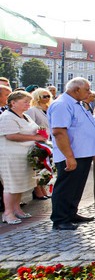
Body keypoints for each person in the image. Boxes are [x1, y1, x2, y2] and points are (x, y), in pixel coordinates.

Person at [48, 78, 95, 230]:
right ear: (76, 90)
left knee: (76, 187)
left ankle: (71, 213)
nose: (89, 93)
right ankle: (60, 219)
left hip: (82, 154)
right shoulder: (62, 104)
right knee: (66, 187)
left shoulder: (77, 103)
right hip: (71, 154)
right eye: (87, 89)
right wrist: (69, 156)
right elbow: (59, 132)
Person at [0, 91, 48, 224]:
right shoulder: (7, 116)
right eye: (25, 102)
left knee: (19, 184)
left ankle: (17, 209)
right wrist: (35, 137)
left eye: (29, 101)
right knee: (11, 185)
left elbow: (34, 130)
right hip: (11, 156)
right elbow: (11, 135)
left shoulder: (25, 116)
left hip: (24, 155)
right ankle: (8, 213)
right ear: (13, 103)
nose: (28, 104)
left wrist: (41, 135)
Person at [26, 87, 53, 200]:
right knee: (38, 166)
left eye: (48, 96)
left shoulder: (50, 108)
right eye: (44, 96)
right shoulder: (33, 110)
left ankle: (43, 189)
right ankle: (38, 190)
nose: (47, 98)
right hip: (38, 141)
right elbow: (29, 125)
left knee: (45, 166)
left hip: (49, 140)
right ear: (37, 97)